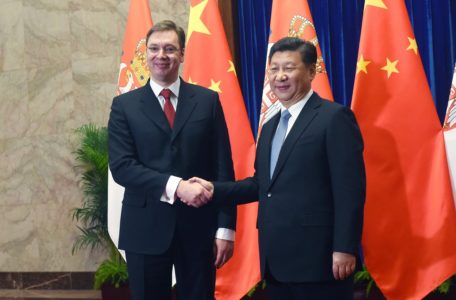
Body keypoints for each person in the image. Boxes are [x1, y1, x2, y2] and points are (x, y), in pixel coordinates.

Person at [192, 37, 366, 299]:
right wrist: (213, 189)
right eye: (274, 69)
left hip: (320, 261)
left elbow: (349, 191)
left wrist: (345, 247)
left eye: (289, 68)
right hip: (276, 262)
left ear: (310, 71)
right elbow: (262, 185)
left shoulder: (334, 118)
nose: (280, 76)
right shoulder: (271, 125)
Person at [108, 20, 236, 300]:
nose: (161, 55)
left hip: (198, 227)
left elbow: (223, 167)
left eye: (169, 48)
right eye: (154, 49)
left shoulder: (207, 101)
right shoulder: (124, 106)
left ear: (182, 54)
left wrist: (226, 227)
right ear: (145, 55)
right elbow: (122, 167)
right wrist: (177, 186)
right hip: (145, 227)